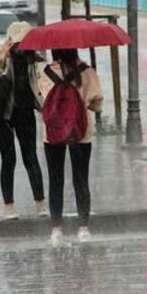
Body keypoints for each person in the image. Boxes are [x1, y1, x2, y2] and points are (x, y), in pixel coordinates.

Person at [39, 48, 103, 246]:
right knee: (81, 179)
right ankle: (83, 228)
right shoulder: (86, 71)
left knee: (55, 180)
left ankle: (56, 229)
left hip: (53, 132)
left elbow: (41, 101)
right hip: (80, 132)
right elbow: (97, 103)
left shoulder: (46, 72)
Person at [0, 21, 46, 219]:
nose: (21, 47)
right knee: (8, 158)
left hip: (25, 111)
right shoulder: (2, 53)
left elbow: (42, 84)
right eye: (17, 43)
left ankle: (41, 203)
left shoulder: (35, 57)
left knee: (30, 157)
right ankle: (9, 206)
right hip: (2, 113)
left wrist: (37, 60)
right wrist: (2, 60)